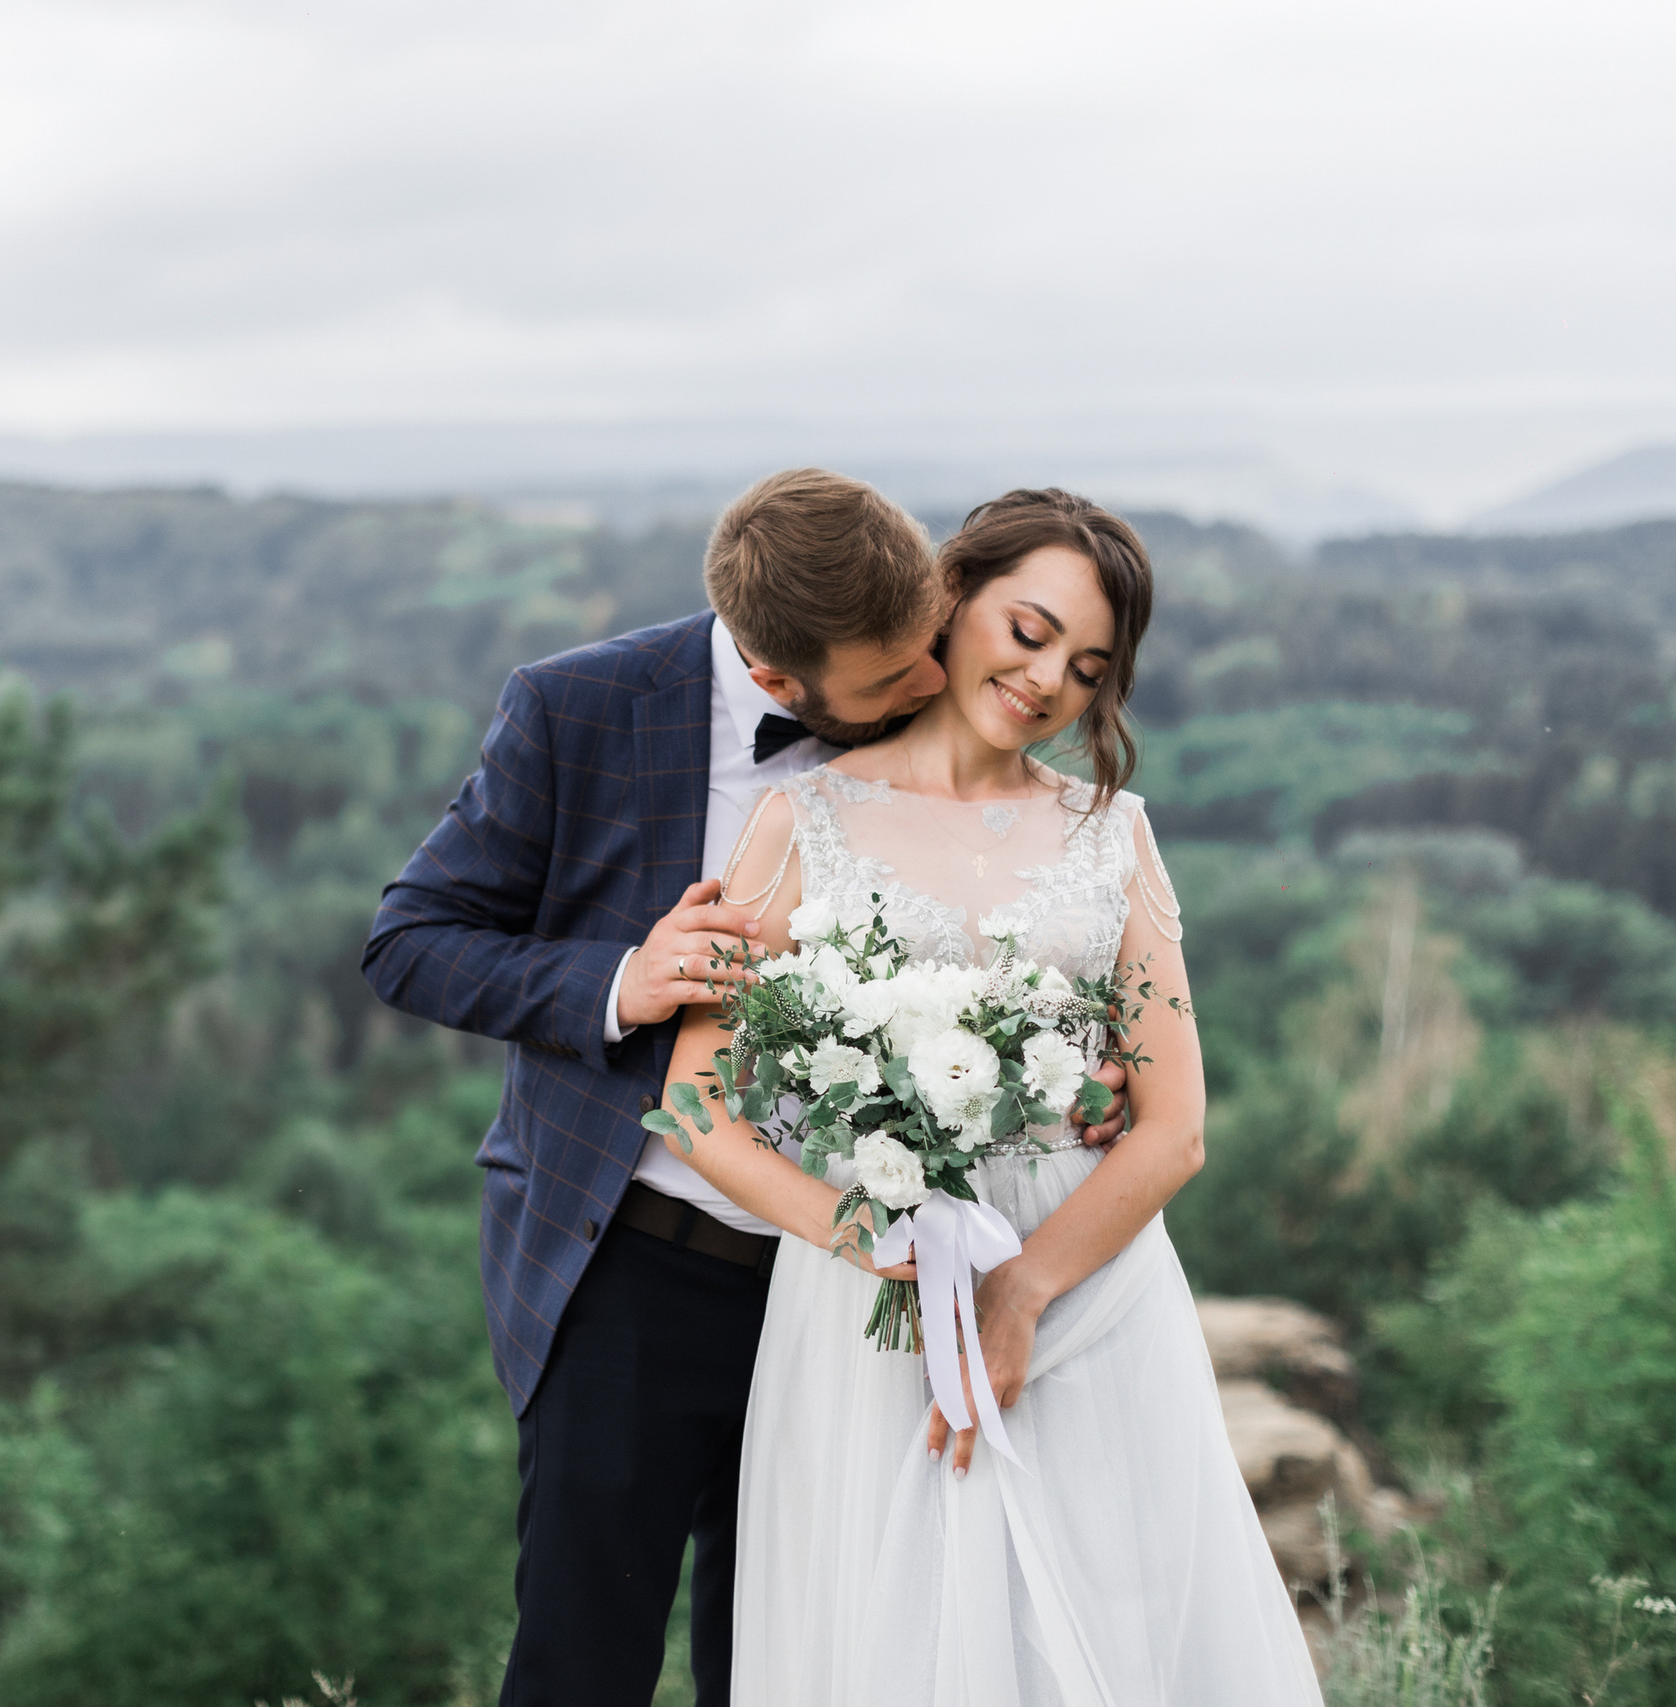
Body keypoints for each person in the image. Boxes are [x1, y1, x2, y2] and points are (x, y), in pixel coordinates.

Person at [362, 469, 1133, 1706]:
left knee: (796, 1661)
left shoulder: (916, 669)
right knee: (581, 1660)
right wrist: (622, 977)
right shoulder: (578, 709)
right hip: (632, 1261)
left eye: (931, 649)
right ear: (778, 682)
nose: (932, 688)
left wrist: (1061, 1066)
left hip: (853, 1298)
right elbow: (408, 941)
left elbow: (994, 907)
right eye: (890, 686)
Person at [660, 488, 1323, 1703]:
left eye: (1086, 666)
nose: (1046, 682)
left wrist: (1022, 1292)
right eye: (1027, 631)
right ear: (950, 597)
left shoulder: (1114, 837)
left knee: (1112, 1622)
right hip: (872, 1300)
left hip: (1086, 1291)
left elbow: (1172, 1128)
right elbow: (699, 1104)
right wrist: (855, 1231)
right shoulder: (794, 820)